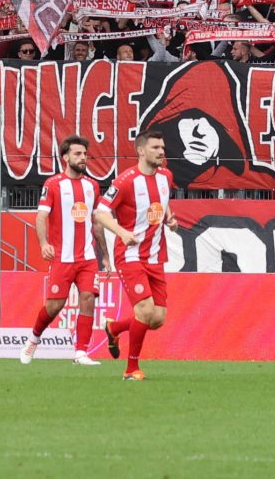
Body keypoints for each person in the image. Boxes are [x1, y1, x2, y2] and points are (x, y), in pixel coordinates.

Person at [93, 134, 179, 381]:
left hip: (155, 255)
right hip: (130, 255)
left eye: (163, 146)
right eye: (155, 147)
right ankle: (131, 369)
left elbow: (163, 202)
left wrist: (169, 219)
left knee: (158, 319)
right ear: (141, 150)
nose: (161, 151)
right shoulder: (125, 181)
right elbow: (100, 212)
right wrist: (121, 231)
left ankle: (114, 327)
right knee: (145, 311)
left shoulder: (166, 176)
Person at [20, 135, 104, 366]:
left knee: (88, 298)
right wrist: (44, 244)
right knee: (55, 305)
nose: (83, 158)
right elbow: (41, 216)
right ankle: (34, 338)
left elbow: (96, 222)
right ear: (65, 157)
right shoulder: (53, 184)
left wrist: (104, 254)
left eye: (85, 154)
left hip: (87, 257)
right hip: (62, 257)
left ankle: (81, 352)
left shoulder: (92, 186)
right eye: (78, 154)